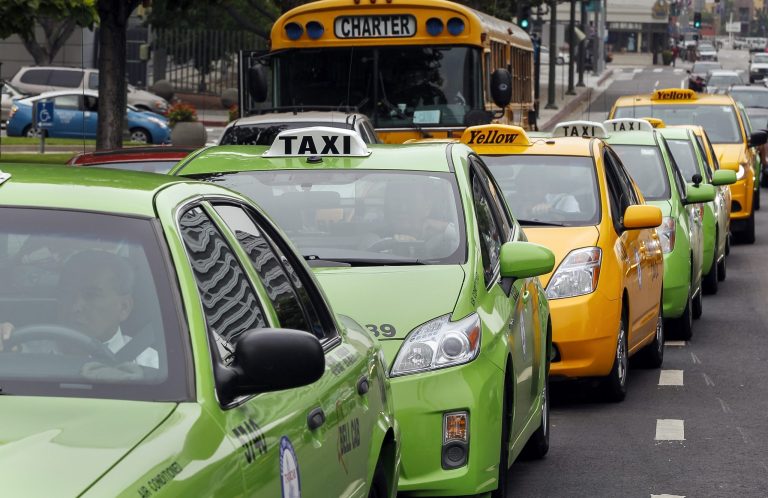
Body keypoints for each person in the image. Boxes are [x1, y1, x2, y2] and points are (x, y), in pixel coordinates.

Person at [0, 249, 158, 371]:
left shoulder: (152, 365)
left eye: (91, 295)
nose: (75, 306)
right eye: (67, 293)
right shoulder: (22, 351)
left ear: (124, 307)